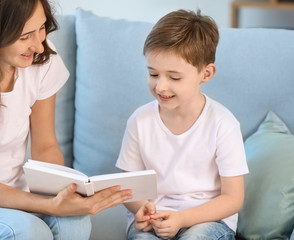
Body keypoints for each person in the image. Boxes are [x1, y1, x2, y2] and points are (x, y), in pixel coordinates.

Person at [0, 0, 133, 239]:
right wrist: (48, 205)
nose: (39, 46)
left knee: (74, 223)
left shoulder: (39, 60)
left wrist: (66, 192)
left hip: (16, 190)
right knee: (31, 231)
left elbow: (46, 145)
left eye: (41, 28)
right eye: (25, 36)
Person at [116, 9, 249, 240]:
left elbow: (233, 198)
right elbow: (130, 189)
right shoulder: (139, 121)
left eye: (174, 77)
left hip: (207, 221)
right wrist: (141, 209)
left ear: (205, 74)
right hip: (153, 222)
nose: (161, 87)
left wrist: (182, 219)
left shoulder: (223, 124)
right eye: (153, 74)